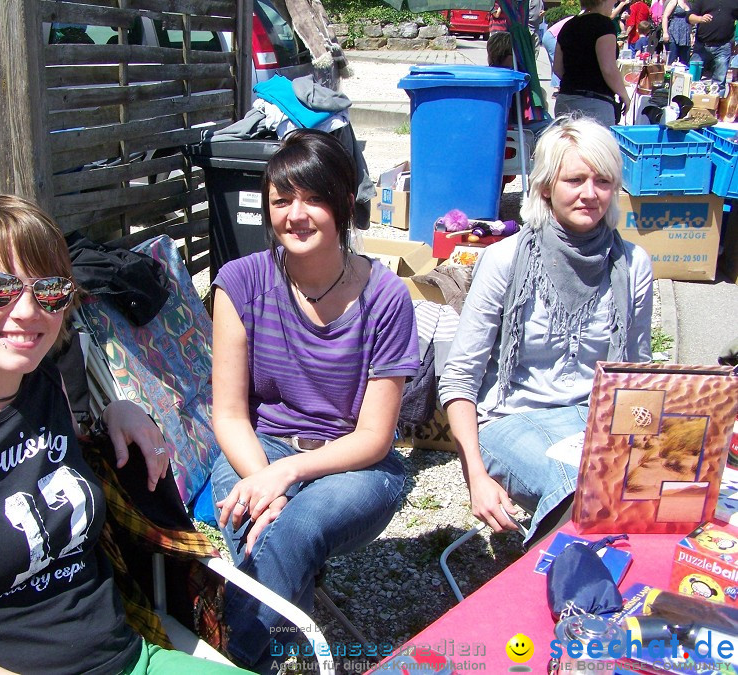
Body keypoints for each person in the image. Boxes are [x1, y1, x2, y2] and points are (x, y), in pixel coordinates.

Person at [0, 195, 249, 674]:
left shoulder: (43, 385)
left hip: (128, 658)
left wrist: (119, 409)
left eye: (50, 290)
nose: (27, 311)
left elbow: (64, 446)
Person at [209, 129, 418, 671]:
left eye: (313, 199)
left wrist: (286, 479)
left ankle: (231, 660)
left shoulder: (387, 297)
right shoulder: (239, 283)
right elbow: (229, 414)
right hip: (261, 448)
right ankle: (285, 632)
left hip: (356, 463)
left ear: (345, 204)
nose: (295, 215)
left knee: (294, 527)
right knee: (261, 522)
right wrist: (264, 478)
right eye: (282, 201)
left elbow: (374, 437)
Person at [438, 116, 654, 547]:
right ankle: (566, 596)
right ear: (545, 186)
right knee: (585, 487)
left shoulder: (633, 265)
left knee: (668, 482)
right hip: (514, 417)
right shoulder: (505, 260)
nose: (590, 193)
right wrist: (475, 475)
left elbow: (636, 374)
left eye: (603, 180)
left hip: (597, 417)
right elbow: (459, 378)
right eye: (575, 179)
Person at [554, 0, 632, 127]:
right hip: (594, 103)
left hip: (566, 98)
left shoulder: (569, 25)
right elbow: (608, 68)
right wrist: (624, 95)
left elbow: (557, 68)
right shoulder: (604, 25)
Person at [689, 0, 738, 96]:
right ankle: (690, 106)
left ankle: (715, 107)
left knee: (718, 84)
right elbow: (690, 17)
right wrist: (700, 19)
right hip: (702, 46)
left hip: (723, 46)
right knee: (693, 79)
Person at [542, 15, 575, 90]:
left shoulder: (574, 18)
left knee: (556, 61)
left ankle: (557, 86)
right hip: (552, 37)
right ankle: (558, 88)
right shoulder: (577, 20)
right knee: (559, 62)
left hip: (549, 35)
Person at [662, 0, 693, 65]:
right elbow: (665, 16)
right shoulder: (674, 2)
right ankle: (668, 73)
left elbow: (690, 22)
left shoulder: (689, 4)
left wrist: (691, 35)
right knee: (672, 58)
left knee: (685, 60)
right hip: (674, 32)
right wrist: (665, 32)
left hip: (685, 34)